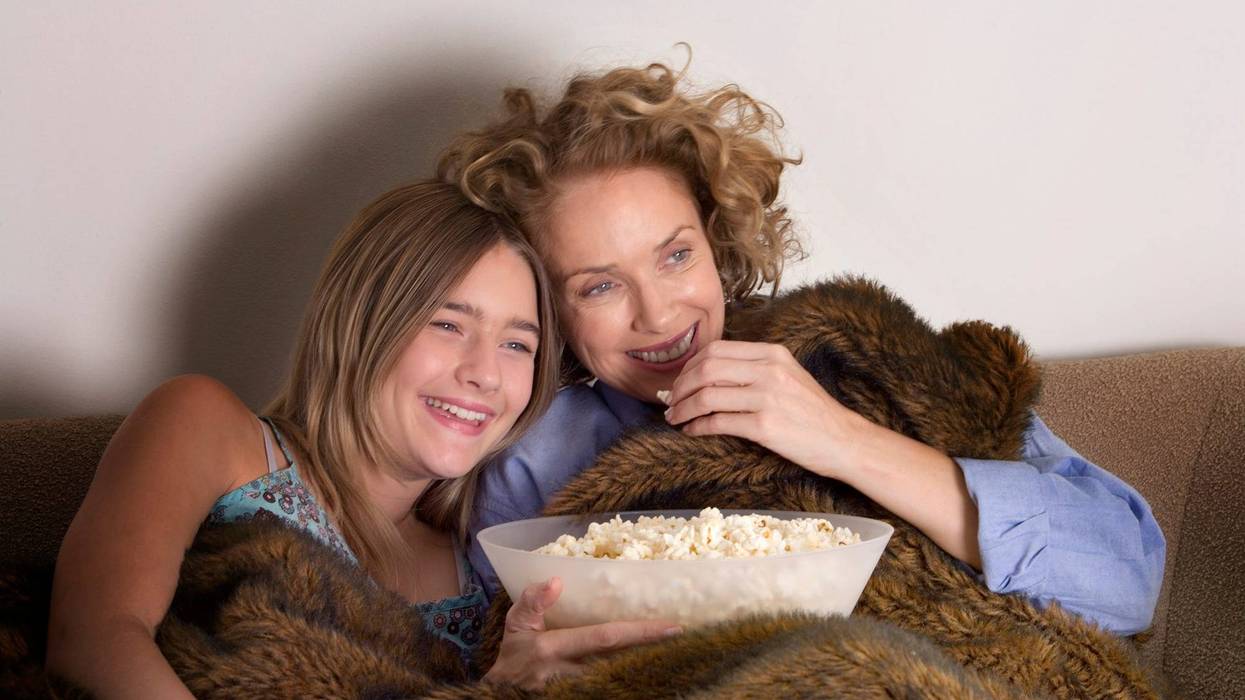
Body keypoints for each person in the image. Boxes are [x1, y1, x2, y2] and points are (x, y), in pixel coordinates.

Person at [439, 60, 1166, 641]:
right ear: (548, 310)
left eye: (674, 256)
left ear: (716, 238)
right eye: (599, 287)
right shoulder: (528, 466)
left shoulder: (858, 358)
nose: (658, 314)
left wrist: (837, 437)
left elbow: (1125, 580)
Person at [46, 181, 680, 698]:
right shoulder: (205, 427)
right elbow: (95, 637)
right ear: (362, 324)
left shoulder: (484, 565)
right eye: (448, 323)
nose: (485, 372)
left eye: (518, 344)